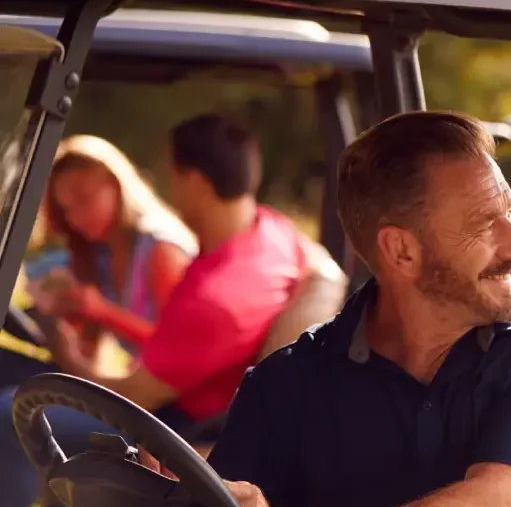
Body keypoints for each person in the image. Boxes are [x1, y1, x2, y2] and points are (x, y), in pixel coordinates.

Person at [205, 111, 511, 507]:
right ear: (401, 251)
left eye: (509, 212)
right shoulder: (281, 386)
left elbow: (497, 498)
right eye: (484, 224)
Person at [0, 114, 344, 507]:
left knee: (6, 413)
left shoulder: (214, 298)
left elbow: (133, 395)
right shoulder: (270, 230)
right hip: (185, 401)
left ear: (193, 182)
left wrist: (66, 346)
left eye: (173, 173)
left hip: (175, 426)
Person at [25, 134, 196, 361]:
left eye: (84, 199)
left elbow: (181, 348)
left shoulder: (161, 249)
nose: (76, 217)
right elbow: (88, 354)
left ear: (116, 184)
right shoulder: (100, 252)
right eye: (67, 209)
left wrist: (104, 312)